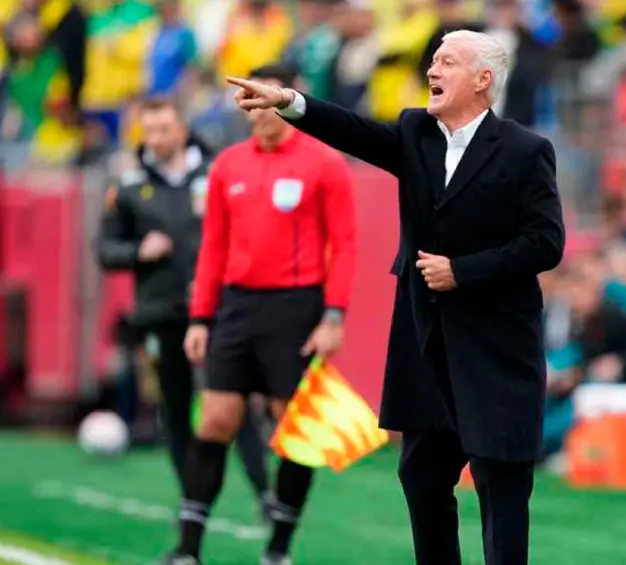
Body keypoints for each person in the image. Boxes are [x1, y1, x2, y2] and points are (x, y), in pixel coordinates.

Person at [228, 29, 565, 565]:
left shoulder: (527, 151)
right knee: (423, 478)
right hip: (427, 349)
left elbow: (546, 243)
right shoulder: (415, 132)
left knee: (501, 489)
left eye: (447, 63)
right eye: (433, 61)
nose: (432, 71)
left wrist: (464, 271)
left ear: (483, 80)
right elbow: (354, 131)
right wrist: (291, 103)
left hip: (497, 352)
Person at [165, 64, 358, 565]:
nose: (254, 107)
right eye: (246, 99)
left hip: (296, 307)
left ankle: (277, 550)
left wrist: (333, 316)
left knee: (289, 429)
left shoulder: (324, 162)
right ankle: (187, 550)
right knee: (215, 420)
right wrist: (200, 318)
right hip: (236, 306)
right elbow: (213, 248)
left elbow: (347, 244)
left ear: (283, 99)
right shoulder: (228, 166)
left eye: (262, 97)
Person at [95, 96, 271, 513]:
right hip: (160, 313)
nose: (156, 139)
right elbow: (104, 250)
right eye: (149, 130)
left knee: (233, 400)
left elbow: (251, 232)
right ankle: (191, 499)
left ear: (183, 128)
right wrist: (139, 250)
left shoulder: (217, 173)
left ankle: (265, 492)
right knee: (174, 409)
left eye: (165, 129)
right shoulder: (128, 185)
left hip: (217, 309)